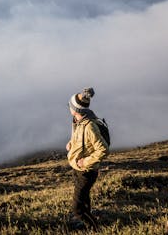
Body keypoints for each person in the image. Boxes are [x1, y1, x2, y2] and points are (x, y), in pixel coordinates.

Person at [65, 87, 109, 230]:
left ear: (75, 109)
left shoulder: (89, 126)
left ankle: (96, 230)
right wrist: (71, 144)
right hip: (78, 169)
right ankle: (88, 226)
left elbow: (103, 150)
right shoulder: (80, 121)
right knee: (84, 202)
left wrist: (85, 162)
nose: (68, 108)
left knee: (77, 209)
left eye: (70, 106)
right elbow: (82, 140)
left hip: (86, 171)